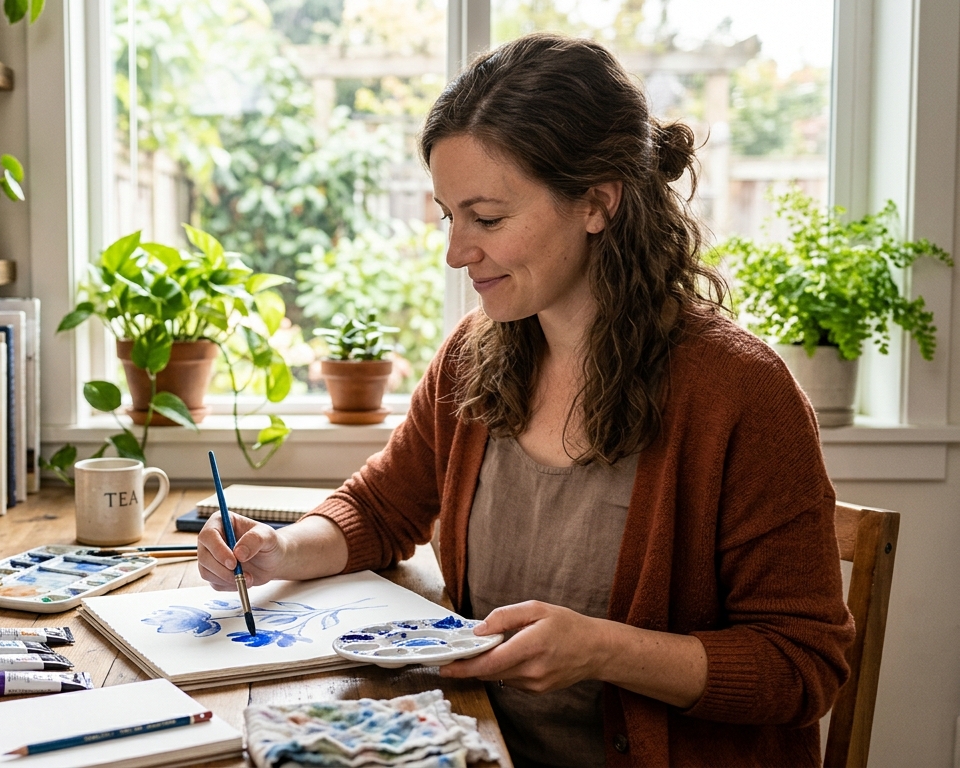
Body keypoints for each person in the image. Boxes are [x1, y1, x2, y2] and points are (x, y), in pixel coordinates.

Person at [197, 32, 854, 768]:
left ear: (598, 202)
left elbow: (804, 667)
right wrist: (278, 551)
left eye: (487, 217)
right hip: (477, 744)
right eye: (450, 217)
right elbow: (382, 509)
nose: (456, 252)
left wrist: (604, 651)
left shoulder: (741, 393)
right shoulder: (475, 354)